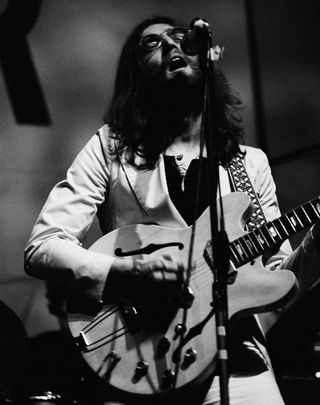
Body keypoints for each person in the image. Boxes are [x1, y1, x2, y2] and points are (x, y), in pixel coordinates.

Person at [24, 15, 320, 405]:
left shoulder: (249, 164)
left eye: (180, 38)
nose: (170, 45)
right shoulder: (110, 149)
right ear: (137, 74)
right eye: (151, 44)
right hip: (139, 353)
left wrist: (316, 243)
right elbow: (43, 246)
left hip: (238, 360)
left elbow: (277, 282)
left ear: (204, 57)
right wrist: (127, 273)